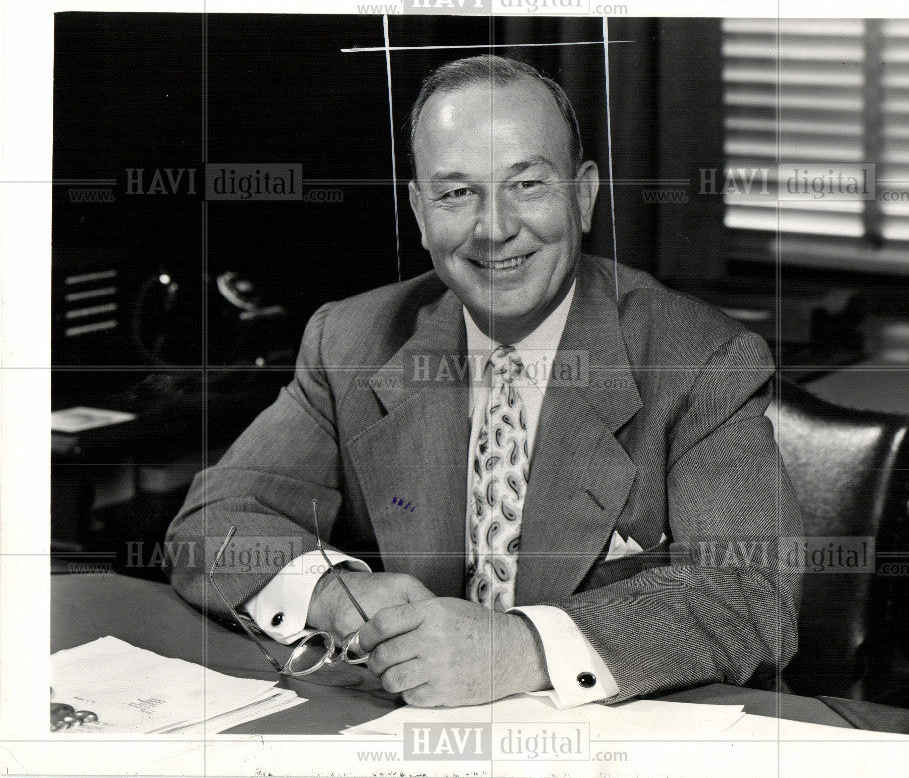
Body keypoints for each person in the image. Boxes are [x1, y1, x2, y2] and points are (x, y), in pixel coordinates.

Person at [167, 55, 801, 709]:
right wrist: (335, 594)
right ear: (418, 210)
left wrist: (516, 646)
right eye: (456, 192)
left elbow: (752, 591)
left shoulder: (698, 357)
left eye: (527, 184)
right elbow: (210, 522)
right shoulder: (351, 341)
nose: (494, 228)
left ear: (583, 197)